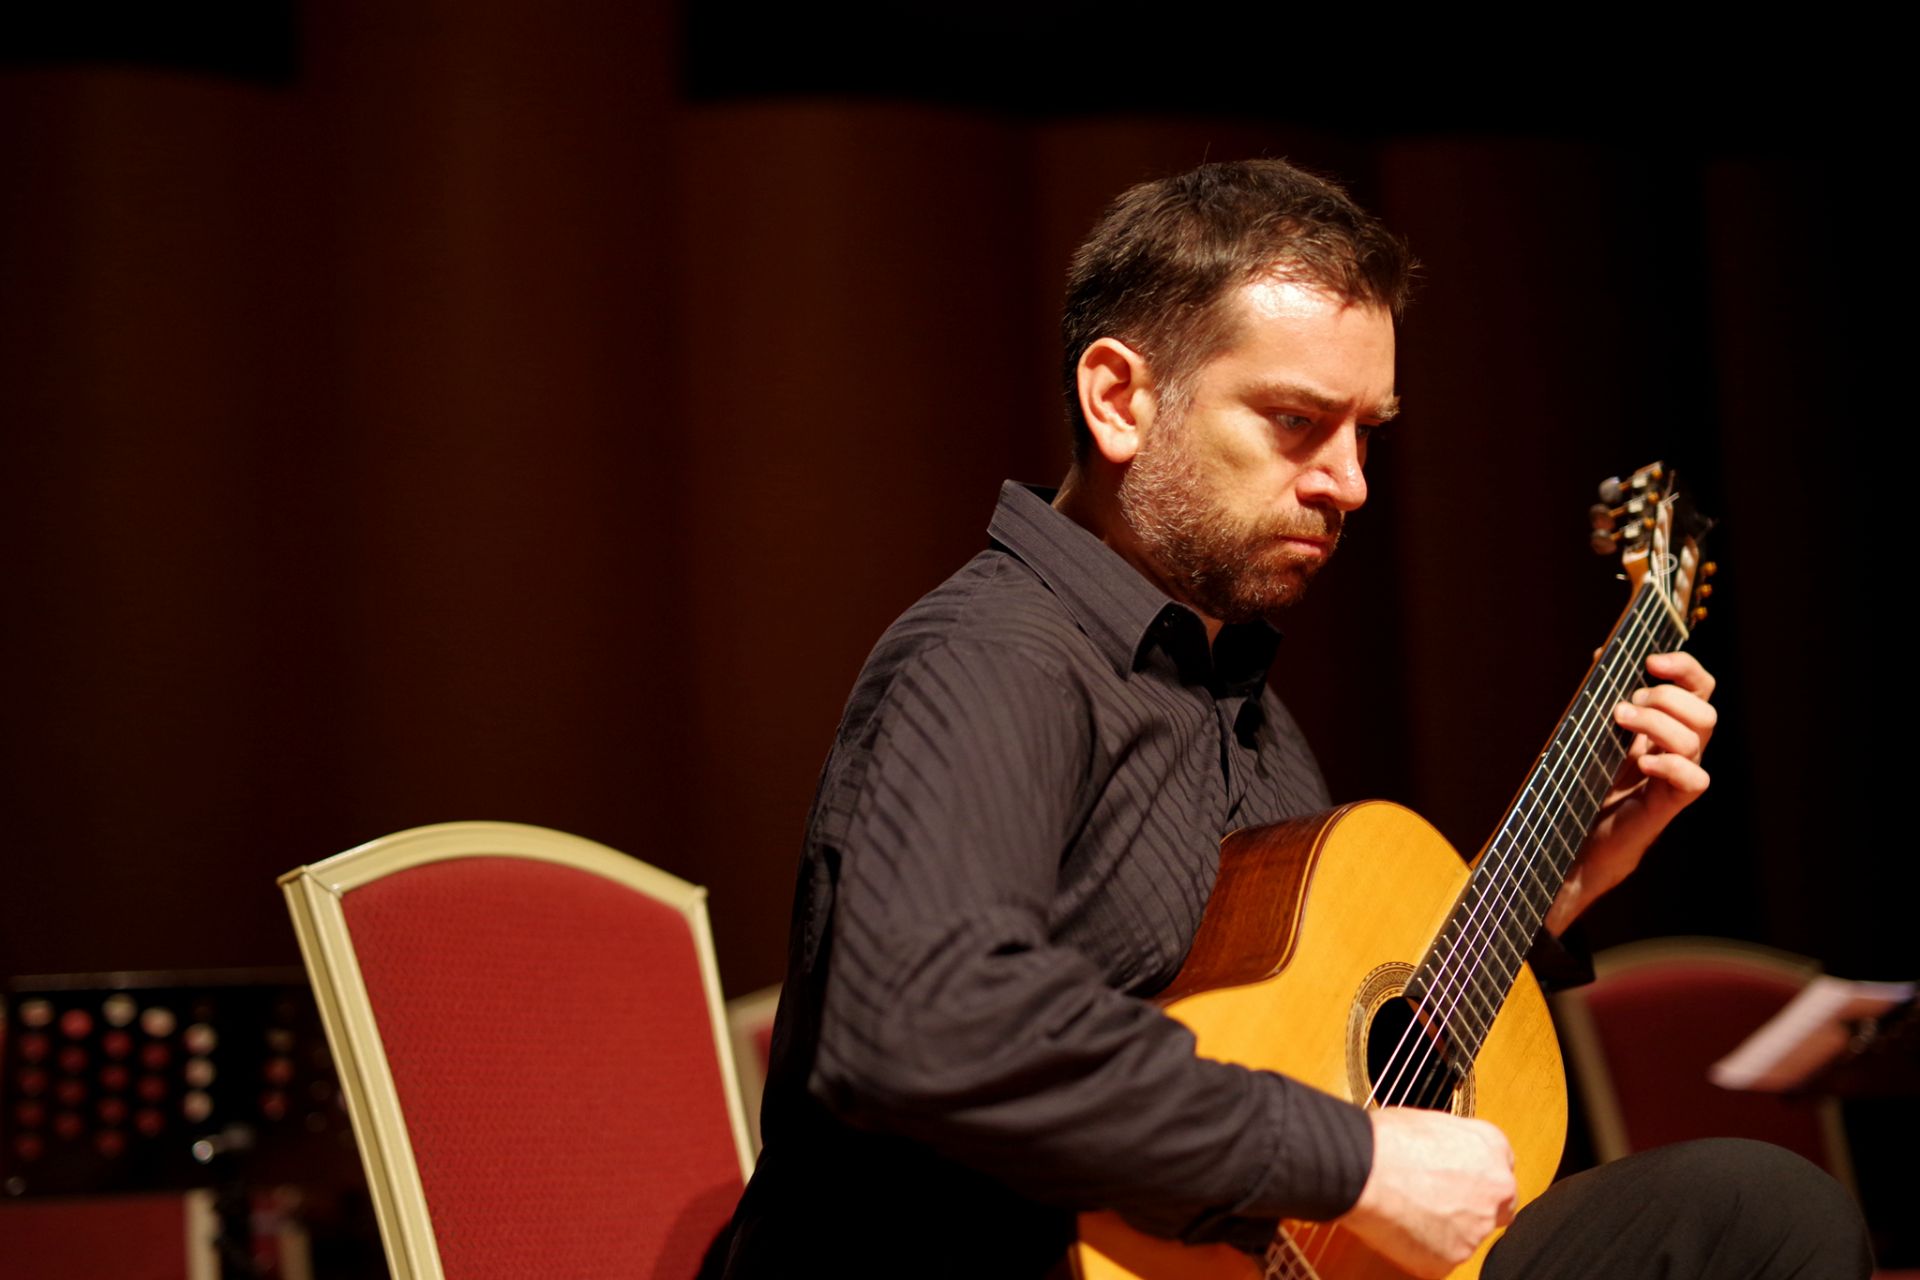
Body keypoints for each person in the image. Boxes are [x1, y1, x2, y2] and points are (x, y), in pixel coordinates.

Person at [705, 159, 1870, 1279]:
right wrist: (1350, 1158)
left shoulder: (1244, 710)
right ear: (1119, 399)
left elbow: (1320, 1055)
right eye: (1297, 420)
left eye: (1368, 430)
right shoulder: (993, 659)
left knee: (1753, 1213)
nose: (1349, 481)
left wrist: (1559, 888)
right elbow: (925, 1020)